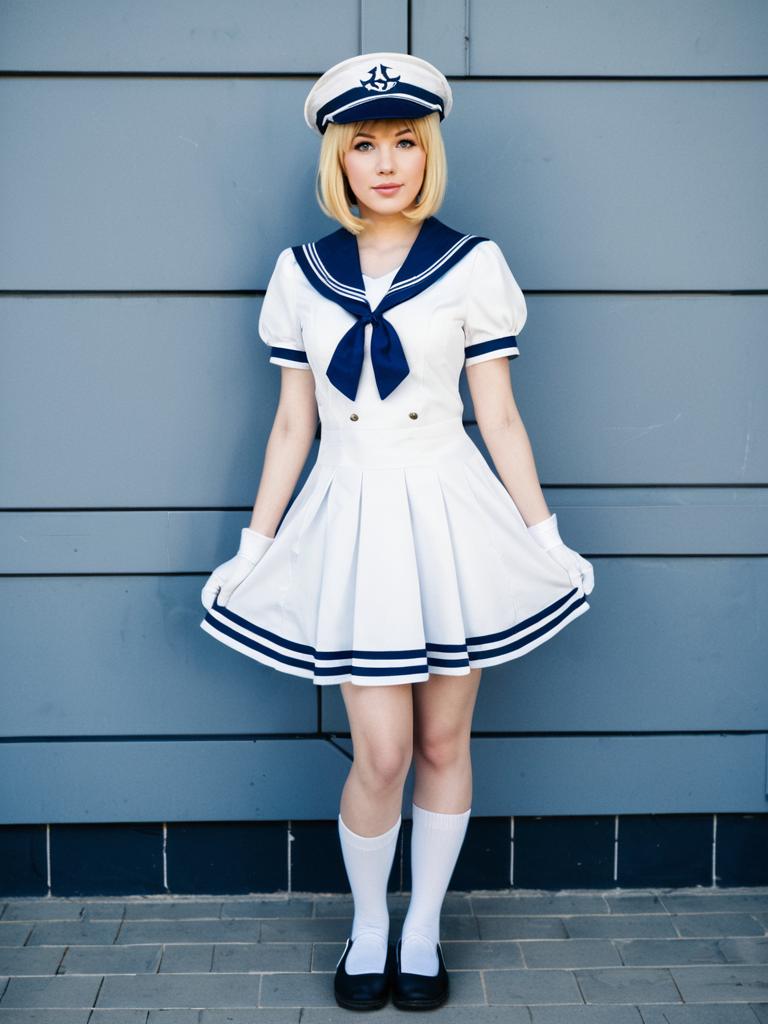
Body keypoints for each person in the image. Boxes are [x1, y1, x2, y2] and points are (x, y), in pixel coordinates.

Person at [200, 52, 595, 1012]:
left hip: (448, 513)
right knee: (378, 750)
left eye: (406, 142)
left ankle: (423, 933)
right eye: (365, 143)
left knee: (442, 741)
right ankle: (367, 926)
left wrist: (544, 540)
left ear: (430, 152)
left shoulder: (474, 265)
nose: (387, 163)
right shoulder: (300, 274)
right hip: (354, 515)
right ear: (339, 157)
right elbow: (293, 423)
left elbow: (497, 416)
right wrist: (254, 549)